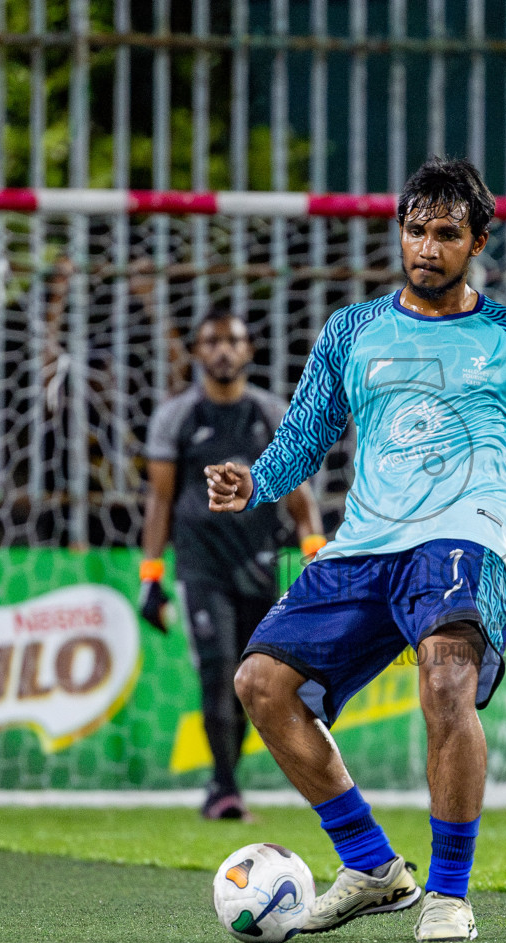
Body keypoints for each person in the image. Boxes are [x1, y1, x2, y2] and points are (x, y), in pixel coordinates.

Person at [206, 157, 506, 942]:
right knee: (260, 684)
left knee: (445, 680)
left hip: (465, 540)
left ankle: (450, 894)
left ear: (478, 241)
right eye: (416, 230)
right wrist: (254, 485)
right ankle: (373, 868)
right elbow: (307, 431)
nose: (427, 247)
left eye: (447, 233)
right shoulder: (351, 331)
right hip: (362, 547)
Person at [140, 311, 325, 820]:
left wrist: (315, 553)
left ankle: (228, 778)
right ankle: (223, 787)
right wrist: (150, 577)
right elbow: (160, 501)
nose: (223, 350)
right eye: (212, 341)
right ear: (198, 352)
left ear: (249, 351)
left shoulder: (269, 413)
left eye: (234, 341)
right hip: (201, 566)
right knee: (217, 668)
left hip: (260, 564)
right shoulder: (176, 417)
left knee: (251, 677)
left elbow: (297, 492)